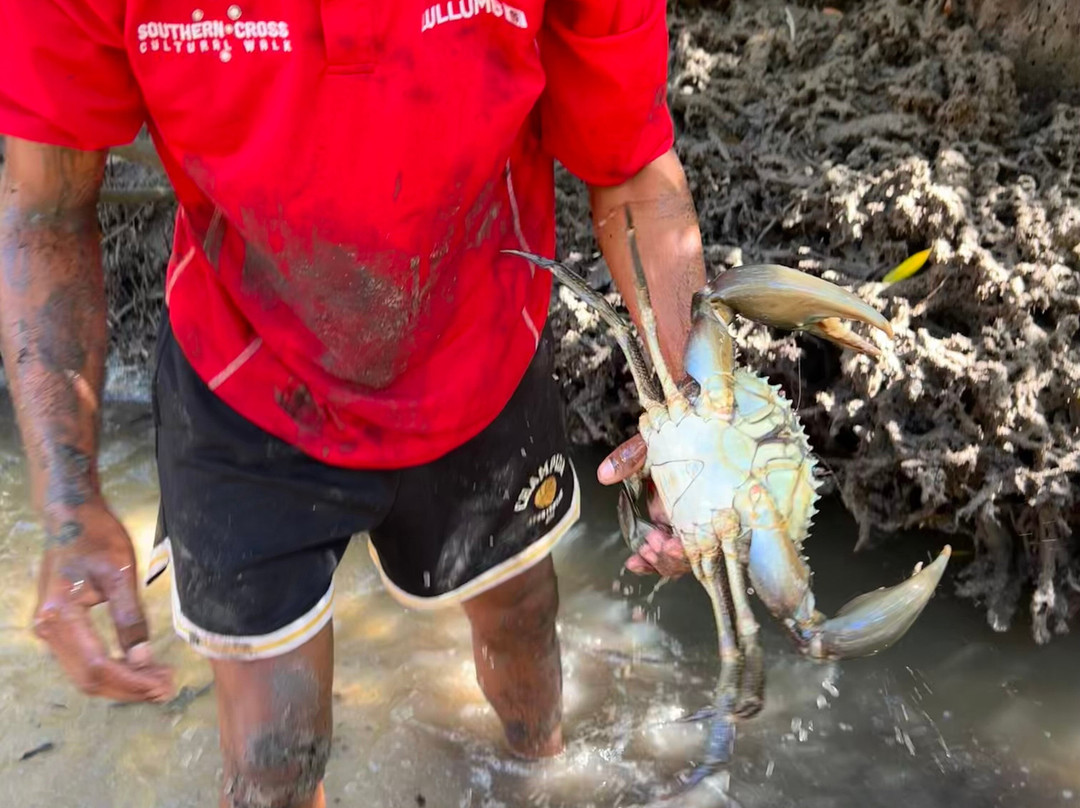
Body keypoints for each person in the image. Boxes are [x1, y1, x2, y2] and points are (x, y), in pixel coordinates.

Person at [0, 1, 699, 805]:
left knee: (522, 625)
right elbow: (45, 208)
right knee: (273, 756)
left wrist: (696, 420)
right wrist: (67, 501)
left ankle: (536, 779)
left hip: (478, 344)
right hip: (245, 371)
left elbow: (633, 170)